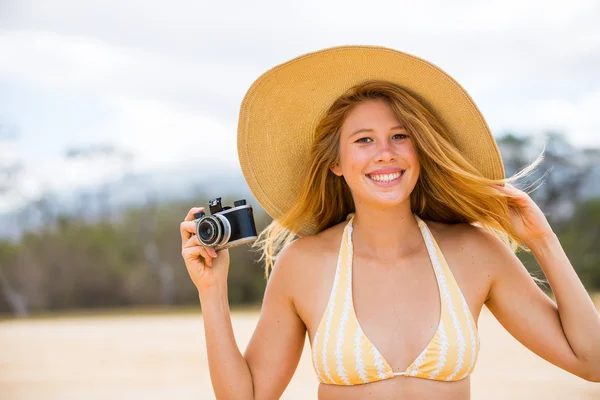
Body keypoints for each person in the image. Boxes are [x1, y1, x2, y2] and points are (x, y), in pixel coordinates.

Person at [180, 45, 600, 399]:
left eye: (400, 136)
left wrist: (542, 240)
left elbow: (591, 361)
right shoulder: (303, 264)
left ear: (420, 150)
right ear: (336, 164)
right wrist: (212, 292)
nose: (385, 152)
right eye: (364, 140)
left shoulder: (474, 252)